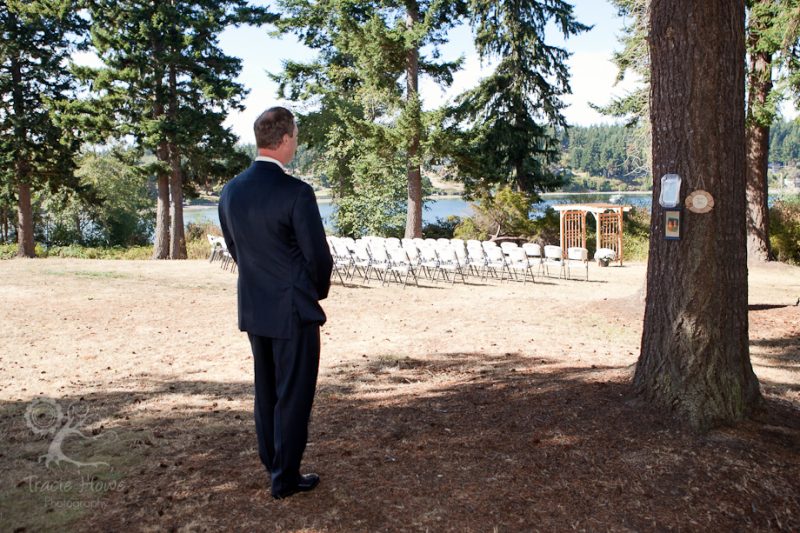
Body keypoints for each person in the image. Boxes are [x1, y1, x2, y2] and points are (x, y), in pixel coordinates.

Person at [218, 106, 333, 500]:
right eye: (295, 137)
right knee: (294, 394)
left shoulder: (231, 191)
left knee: (266, 391)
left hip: (254, 306)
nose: (296, 144)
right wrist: (310, 291)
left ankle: (273, 463)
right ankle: (284, 476)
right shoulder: (296, 192)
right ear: (284, 141)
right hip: (292, 310)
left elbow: (236, 248)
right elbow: (318, 257)